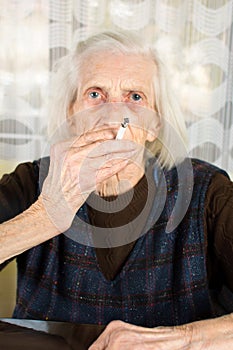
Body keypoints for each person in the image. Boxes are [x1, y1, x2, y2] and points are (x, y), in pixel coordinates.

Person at [0, 30, 233, 349]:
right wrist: (44, 217)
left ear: (155, 125)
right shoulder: (30, 181)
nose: (113, 116)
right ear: (71, 114)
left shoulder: (210, 193)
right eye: (95, 95)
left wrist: (181, 339)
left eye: (135, 97)